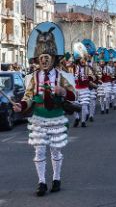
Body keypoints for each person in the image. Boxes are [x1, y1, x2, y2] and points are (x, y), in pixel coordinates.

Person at [13, 22, 76, 196]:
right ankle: (41, 182)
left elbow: (73, 95)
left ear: (55, 58)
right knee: (39, 150)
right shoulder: (33, 77)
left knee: (55, 150)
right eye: (41, 57)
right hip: (39, 117)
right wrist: (21, 106)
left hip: (56, 115)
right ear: (37, 59)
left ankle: (56, 178)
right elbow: (28, 97)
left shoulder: (61, 76)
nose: (44, 60)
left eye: (48, 57)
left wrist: (63, 91)